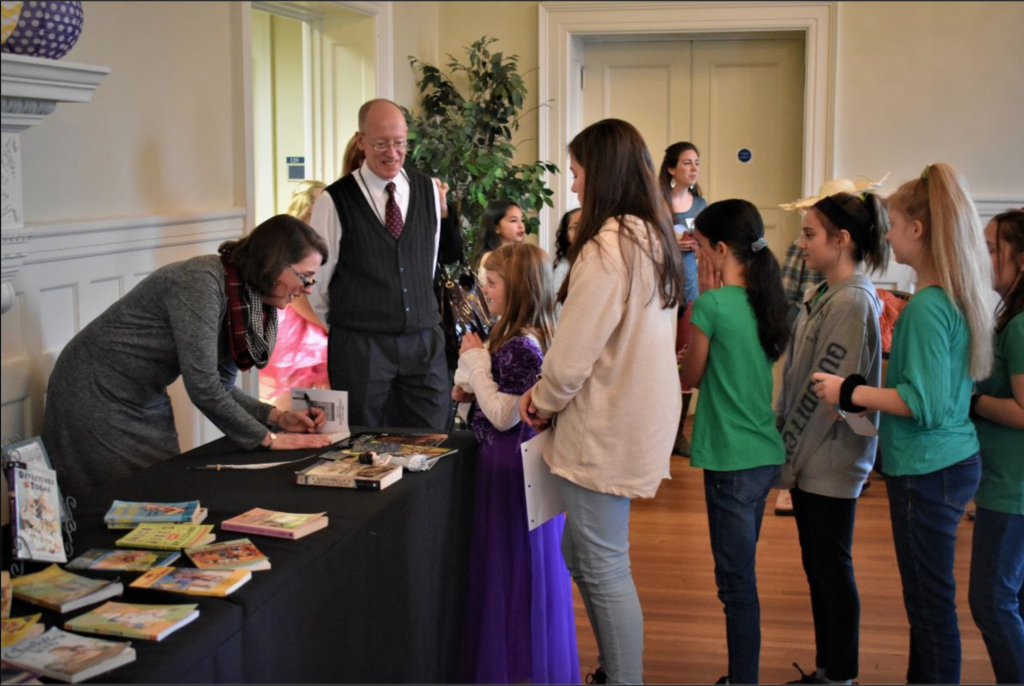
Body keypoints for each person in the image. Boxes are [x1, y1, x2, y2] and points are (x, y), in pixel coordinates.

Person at [811, 163, 995, 684]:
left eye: (892, 225)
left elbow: (923, 404)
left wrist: (848, 391)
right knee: (928, 604)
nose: (886, 236)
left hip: (928, 469)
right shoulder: (950, 297)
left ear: (918, 228)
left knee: (929, 609)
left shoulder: (928, 308)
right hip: (946, 463)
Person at [519, 118, 684, 685]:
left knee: (604, 565)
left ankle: (622, 677)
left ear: (603, 174)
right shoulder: (650, 236)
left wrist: (541, 402)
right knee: (585, 554)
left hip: (606, 424)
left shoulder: (608, 246)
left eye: (576, 172)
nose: (572, 185)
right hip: (633, 417)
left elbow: (570, 359)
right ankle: (615, 670)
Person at [42, 216, 335, 496]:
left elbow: (221, 386)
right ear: (274, 264)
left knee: (159, 493)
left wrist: (279, 418)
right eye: (306, 277)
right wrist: (268, 439)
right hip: (95, 390)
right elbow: (203, 386)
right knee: (122, 499)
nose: (309, 289)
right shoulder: (200, 281)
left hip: (143, 395)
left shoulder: (247, 298)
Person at [775, 188, 891, 685]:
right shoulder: (826, 292)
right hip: (812, 457)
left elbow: (825, 398)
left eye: (809, 234)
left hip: (828, 458)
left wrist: (787, 460)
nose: (801, 244)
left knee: (830, 569)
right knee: (820, 567)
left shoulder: (850, 301)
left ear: (841, 240)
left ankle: (840, 674)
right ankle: (829, 669)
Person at [453, 243, 578, 684]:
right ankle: (523, 657)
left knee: (510, 568)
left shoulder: (520, 346)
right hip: (514, 463)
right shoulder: (531, 335)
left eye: (492, 283)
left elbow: (505, 415)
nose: (484, 291)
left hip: (509, 468)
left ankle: (514, 662)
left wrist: (475, 365)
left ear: (518, 287)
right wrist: (474, 387)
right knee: (521, 568)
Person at [678, 198, 790, 685]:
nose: (698, 255)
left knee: (736, 585)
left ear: (721, 250)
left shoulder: (712, 306)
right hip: (763, 455)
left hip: (729, 461)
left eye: (701, 247)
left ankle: (743, 680)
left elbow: (691, 375)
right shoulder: (768, 302)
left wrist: (703, 301)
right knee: (742, 575)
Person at [307, 98, 450, 429]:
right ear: (361, 141)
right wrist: (353, 324)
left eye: (400, 143)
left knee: (433, 438)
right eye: (381, 144)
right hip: (360, 346)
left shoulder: (428, 190)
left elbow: (427, 263)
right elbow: (318, 283)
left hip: (424, 341)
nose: (392, 153)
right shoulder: (334, 200)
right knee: (363, 439)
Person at [968, 208, 1024, 684]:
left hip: (1012, 489)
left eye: (990, 248)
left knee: (990, 600)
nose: (980, 257)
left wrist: (972, 401)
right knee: (1011, 598)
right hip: (1009, 485)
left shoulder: (1020, 325)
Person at [261, 180, 330, 407]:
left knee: (316, 381)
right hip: (298, 320)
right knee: (298, 381)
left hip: (314, 313)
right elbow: (297, 296)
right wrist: (324, 325)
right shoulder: (295, 239)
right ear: (308, 205)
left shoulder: (321, 235)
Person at [659, 142, 706, 456]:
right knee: (659, 362)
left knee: (684, 364)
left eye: (696, 162)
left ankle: (677, 435)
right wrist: (671, 245)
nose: (693, 168)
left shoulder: (701, 205)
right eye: (687, 162)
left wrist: (696, 245)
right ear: (671, 169)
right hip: (660, 294)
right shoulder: (656, 203)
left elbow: (710, 244)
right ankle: (657, 433)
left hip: (690, 293)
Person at [471, 199, 526, 279]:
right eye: (513, 220)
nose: (521, 226)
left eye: (522, 220)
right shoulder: (490, 258)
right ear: (496, 227)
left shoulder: (524, 256)